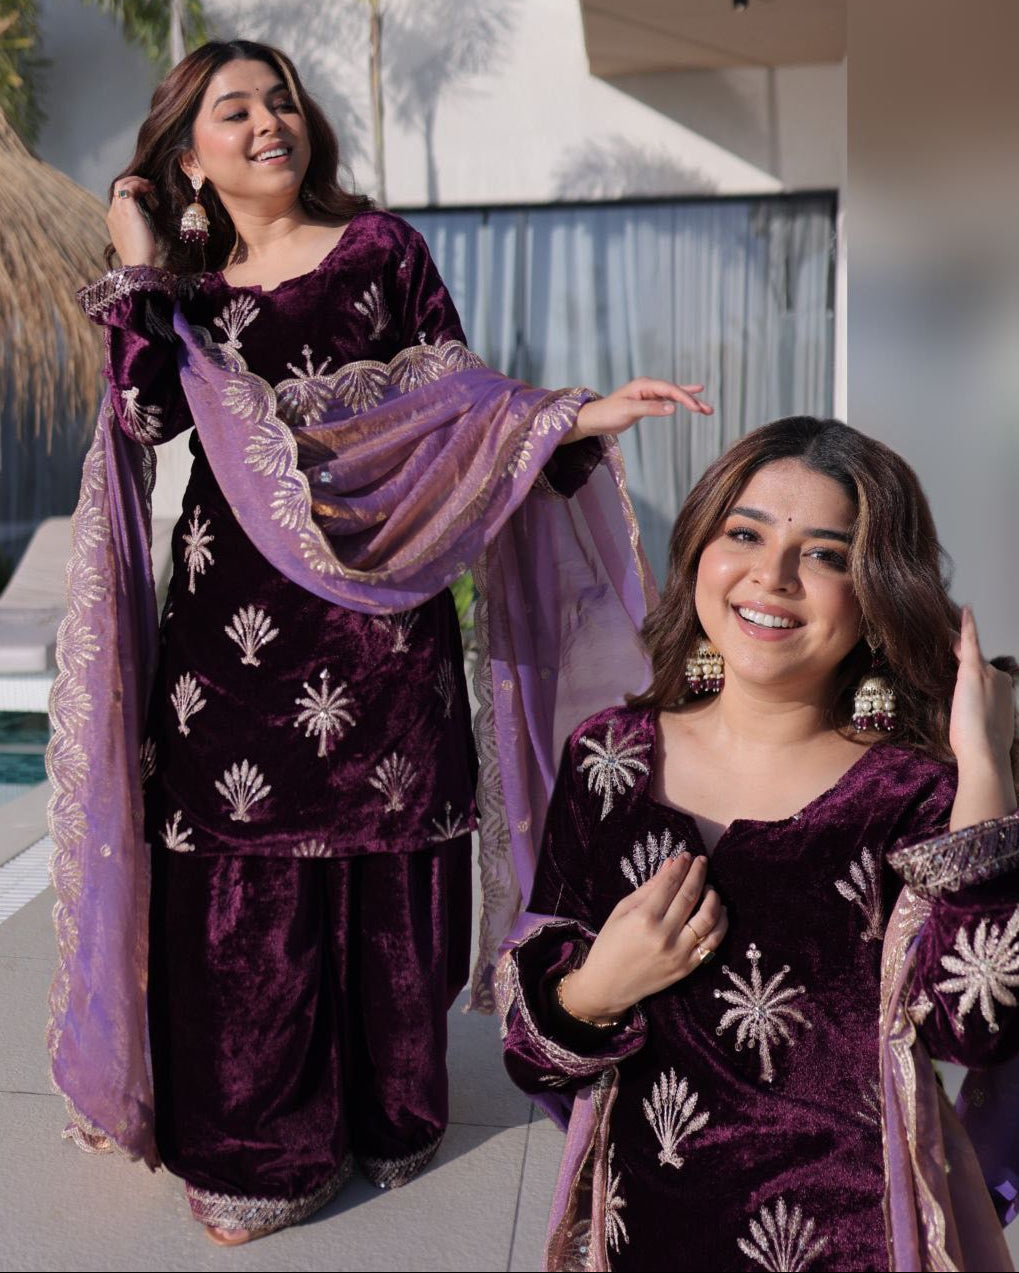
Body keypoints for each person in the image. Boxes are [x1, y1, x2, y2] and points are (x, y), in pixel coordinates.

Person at [48, 39, 712, 1244]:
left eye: (281, 101)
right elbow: (142, 415)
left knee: (387, 870)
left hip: (383, 627)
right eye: (232, 109)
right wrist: (136, 255)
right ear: (185, 156)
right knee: (242, 889)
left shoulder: (380, 253)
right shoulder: (189, 304)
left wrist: (570, 417)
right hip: (229, 655)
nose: (268, 122)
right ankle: (258, 1150)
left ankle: (387, 1118)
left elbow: (459, 410)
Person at [498, 416, 1019, 1272]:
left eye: (823, 554)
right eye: (744, 533)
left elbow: (978, 1027)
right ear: (701, 546)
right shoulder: (608, 759)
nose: (770, 577)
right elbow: (530, 1042)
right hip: (645, 1230)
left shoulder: (912, 792)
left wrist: (985, 769)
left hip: (852, 1239)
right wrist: (596, 988)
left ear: (877, 593)